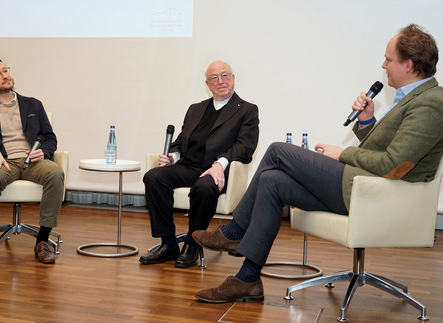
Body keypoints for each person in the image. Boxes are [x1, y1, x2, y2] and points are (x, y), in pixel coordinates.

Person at [192, 24, 443, 302]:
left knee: (277, 151)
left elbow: (395, 164)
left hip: (375, 196)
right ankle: (247, 280)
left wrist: (342, 153)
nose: (383, 65)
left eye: (388, 59)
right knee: (271, 181)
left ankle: (234, 231)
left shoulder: (430, 102)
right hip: (364, 188)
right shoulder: (413, 98)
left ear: (408, 65)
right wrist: (366, 121)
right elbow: (388, 150)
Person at [140, 60, 260, 268]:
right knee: (154, 177)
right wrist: (173, 157)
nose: (220, 81)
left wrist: (219, 164)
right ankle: (168, 244)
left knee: (204, 186)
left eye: (225, 75)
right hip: (188, 166)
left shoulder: (246, 110)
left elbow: (245, 146)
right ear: (207, 84)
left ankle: (192, 243)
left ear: (233, 78)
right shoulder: (195, 109)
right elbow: (180, 141)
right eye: (214, 78)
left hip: (216, 171)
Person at [0, 57, 65, 264]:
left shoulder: (32, 104)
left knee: (55, 173)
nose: (5, 76)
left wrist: (44, 152)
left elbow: (50, 137)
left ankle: (42, 240)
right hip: (3, 161)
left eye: (5, 70)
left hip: (32, 161)